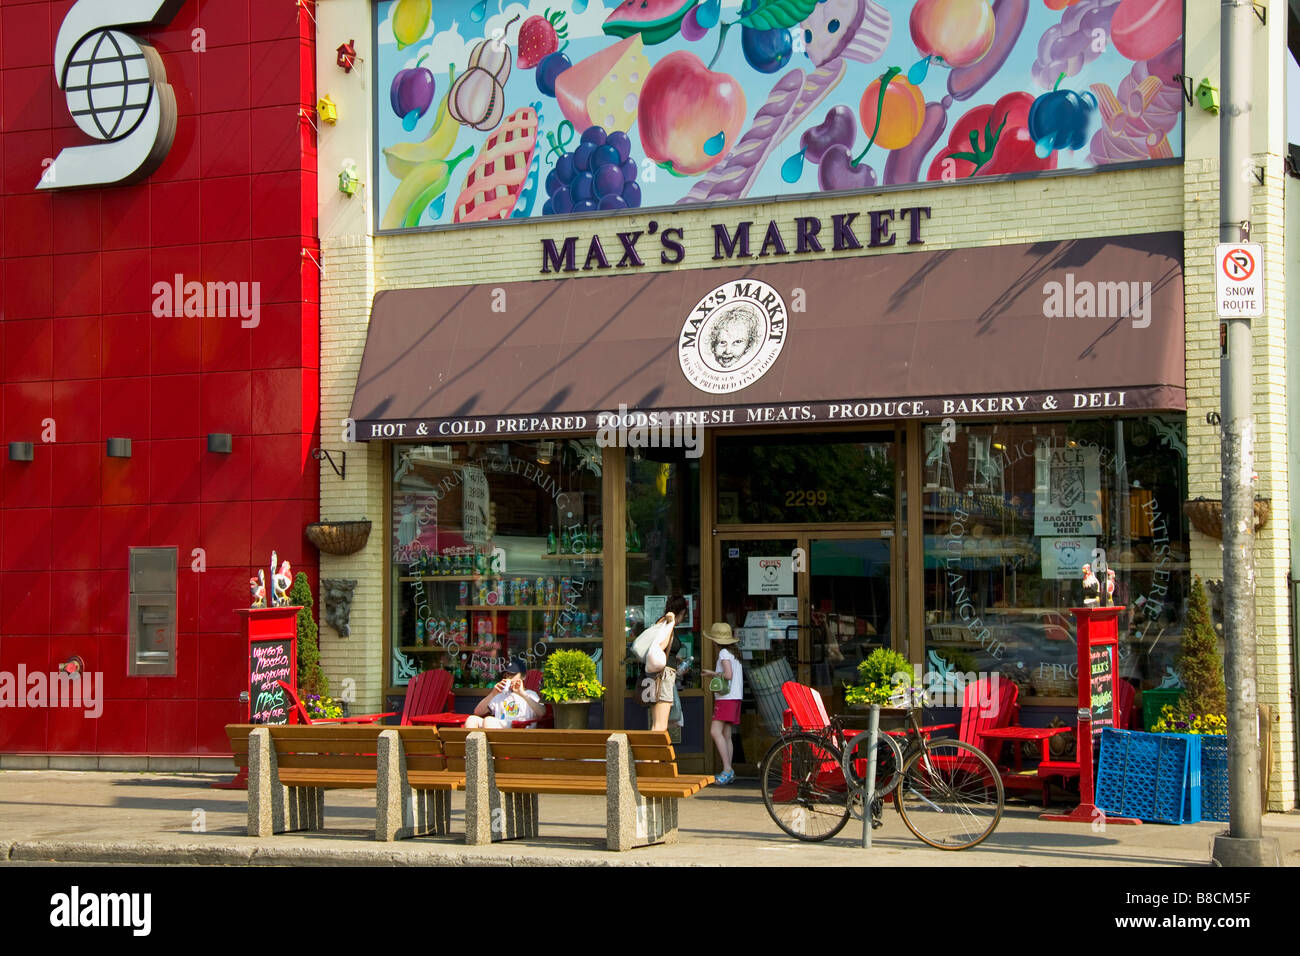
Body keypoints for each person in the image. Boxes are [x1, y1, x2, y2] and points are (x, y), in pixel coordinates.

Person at [702, 622, 743, 785]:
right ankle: (729, 770)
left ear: (715, 640)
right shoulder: (735, 654)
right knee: (726, 735)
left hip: (726, 698)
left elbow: (728, 675)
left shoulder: (724, 653)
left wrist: (711, 673)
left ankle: (727, 769)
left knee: (715, 731)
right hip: (735, 697)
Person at [645, 594, 688, 732]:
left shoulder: (661, 622)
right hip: (663, 676)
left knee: (658, 724)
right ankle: (654, 753)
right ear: (682, 612)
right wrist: (671, 625)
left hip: (656, 675)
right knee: (661, 725)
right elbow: (659, 646)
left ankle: (655, 752)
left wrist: (676, 659)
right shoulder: (667, 624)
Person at [465, 659, 544, 728]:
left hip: (520, 729)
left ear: (523, 677)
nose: (509, 677)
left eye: (513, 674)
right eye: (507, 674)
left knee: (489, 721)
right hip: (499, 727)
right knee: (471, 720)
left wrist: (522, 694)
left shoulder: (530, 694)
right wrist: (493, 694)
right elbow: (477, 712)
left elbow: (542, 713)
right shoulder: (501, 693)